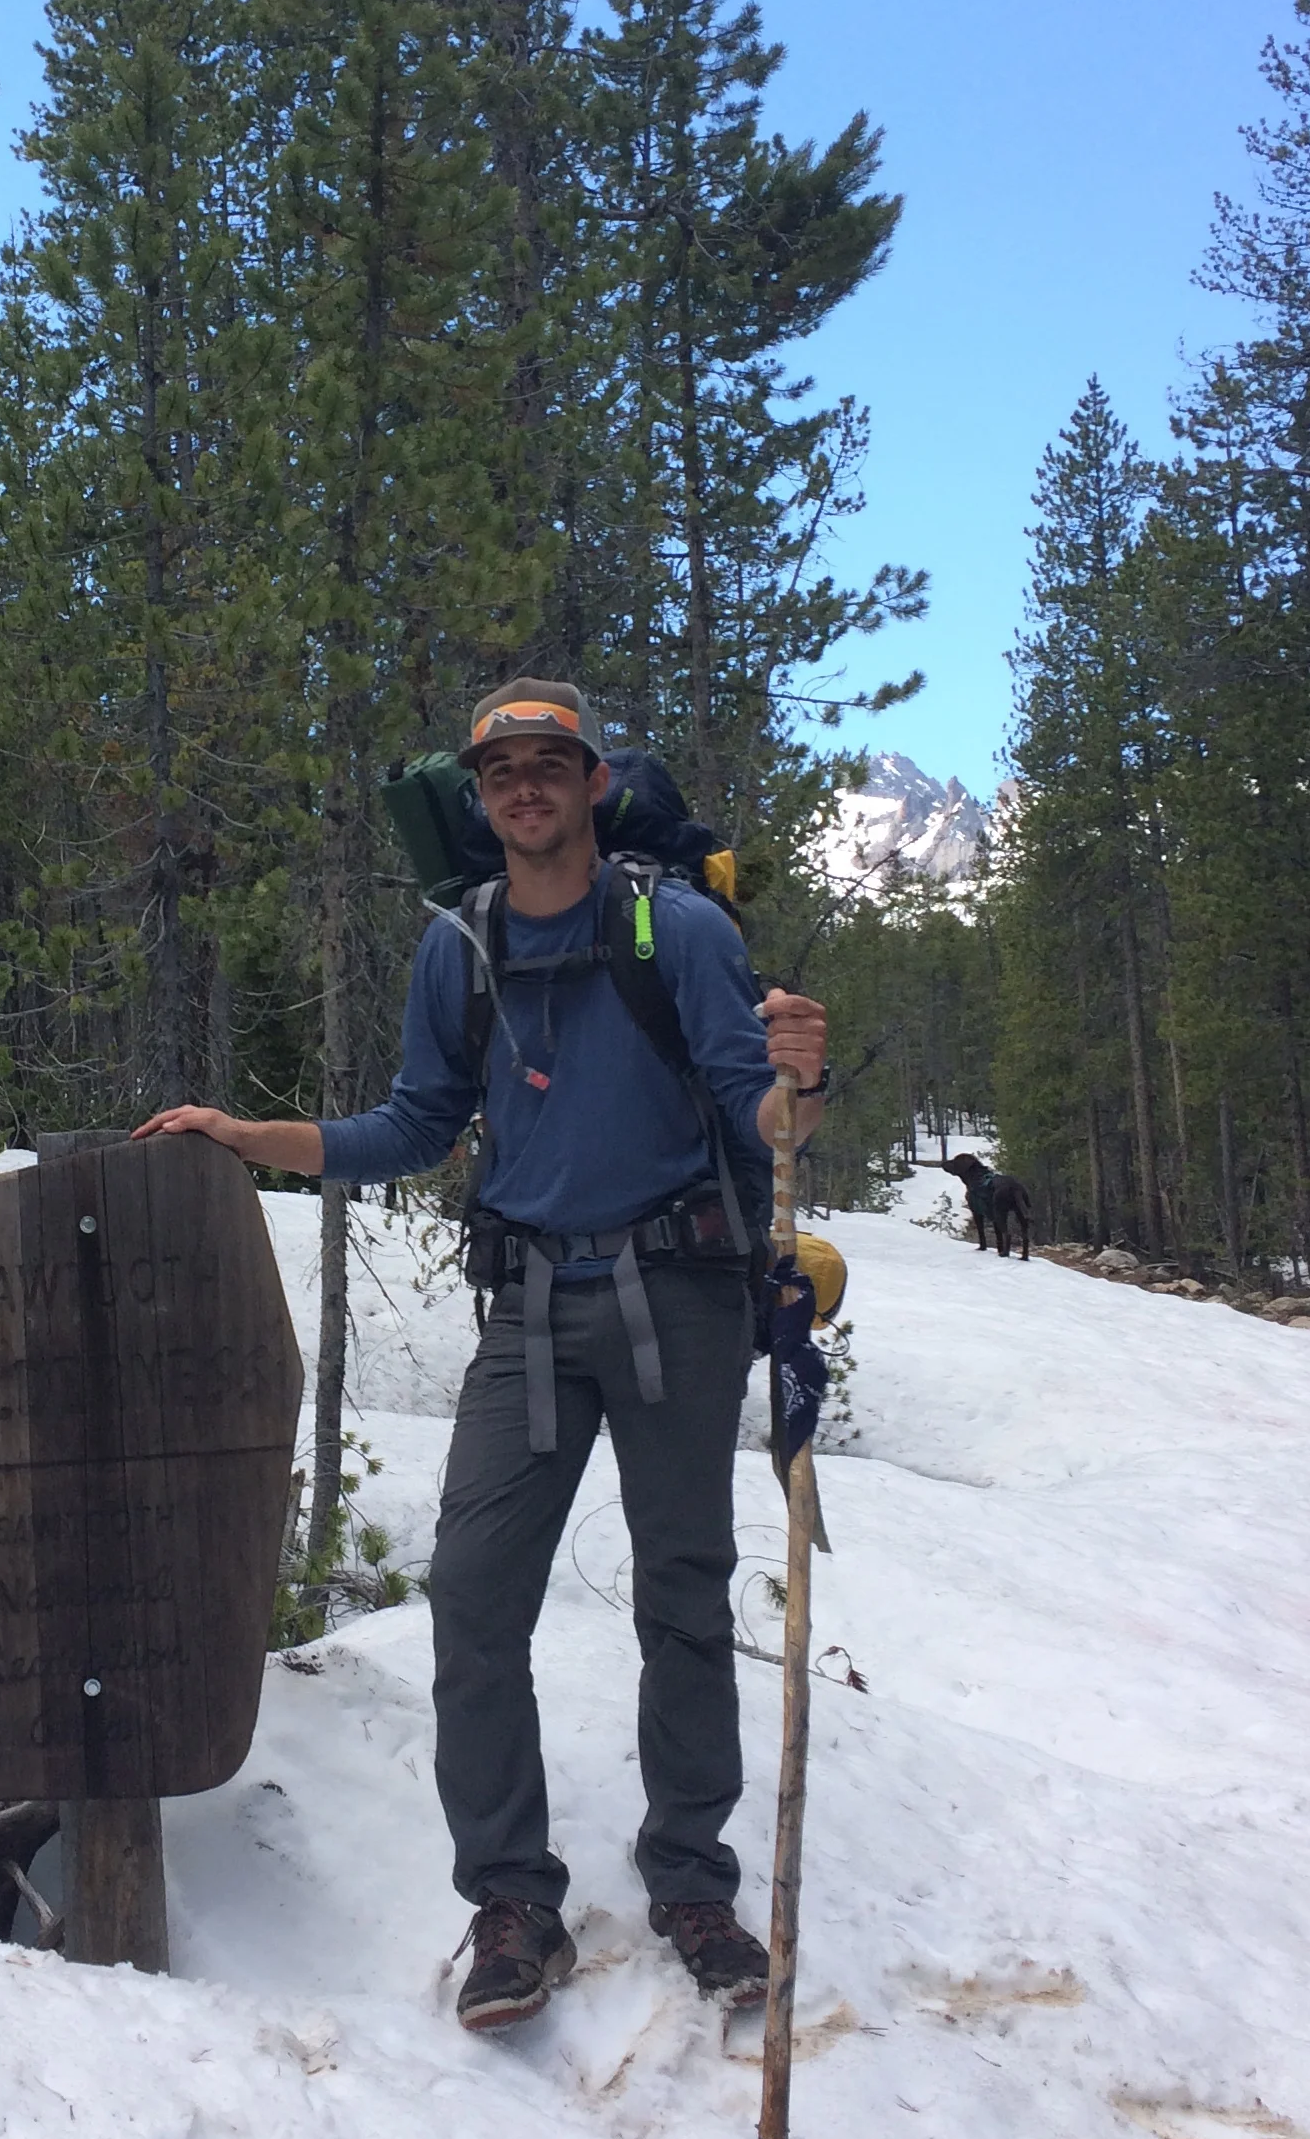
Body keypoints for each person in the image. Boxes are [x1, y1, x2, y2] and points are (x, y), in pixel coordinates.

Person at [139, 684, 827, 2031]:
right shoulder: (459, 951)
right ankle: (513, 1900)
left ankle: (691, 1879)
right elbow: (414, 1122)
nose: (525, 786)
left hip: (677, 1299)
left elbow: (759, 1116)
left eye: (547, 764)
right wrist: (255, 1138)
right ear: (478, 794)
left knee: (682, 1592)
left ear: (587, 778)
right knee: (473, 1594)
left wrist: (800, 1073)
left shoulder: (672, 928)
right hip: (525, 1311)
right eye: (500, 769)